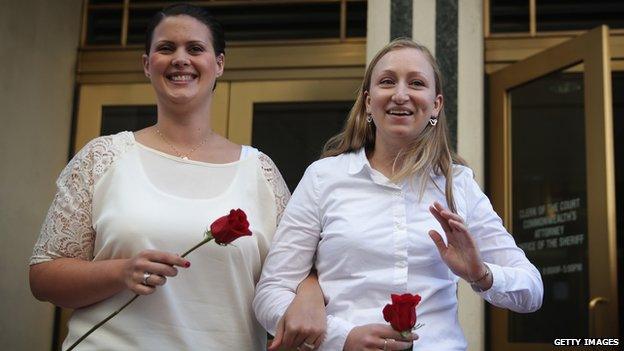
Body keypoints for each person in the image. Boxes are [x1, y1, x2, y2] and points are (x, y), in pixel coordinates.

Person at [29, 4, 325, 350]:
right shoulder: (102, 157)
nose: (180, 59)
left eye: (195, 48)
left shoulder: (260, 171)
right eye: (166, 48)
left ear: (219, 64)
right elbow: (43, 275)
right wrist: (120, 272)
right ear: (146, 64)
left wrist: (310, 293)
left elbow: (297, 272)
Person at [253, 39, 544, 351]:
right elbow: (272, 291)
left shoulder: (457, 184)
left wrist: (480, 273)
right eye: (387, 81)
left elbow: (531, 291)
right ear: (367, 101)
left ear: (436, 104)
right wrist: (341, 337)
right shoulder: (324, 177)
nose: (401, 94)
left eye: (416, 83)